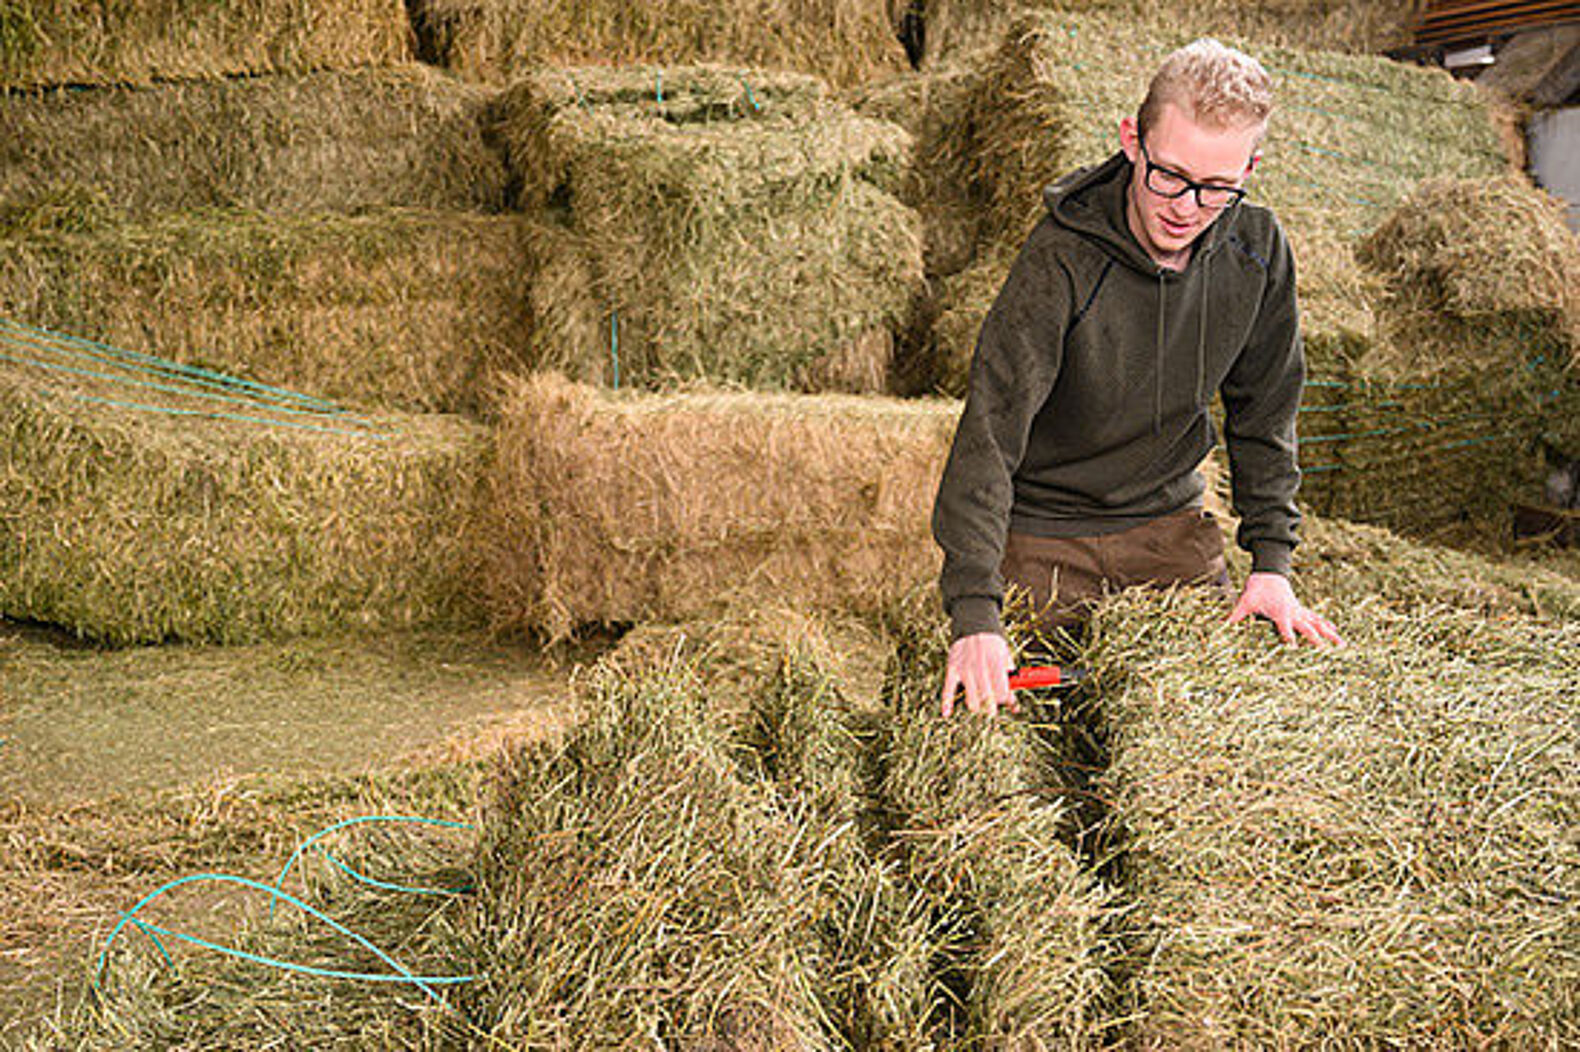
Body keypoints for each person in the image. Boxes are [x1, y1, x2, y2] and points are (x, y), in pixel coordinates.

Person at [933, 38, 1344, 718]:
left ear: (1251, 168)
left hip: (1168, 530)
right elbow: (988, 435)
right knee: (1018, 728)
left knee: (1214, 726)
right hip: (1045, 536)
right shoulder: (1060, 261)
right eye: (1170, 176)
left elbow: (1265, 415)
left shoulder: (1258, 249)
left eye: (1218, 188)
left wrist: (1272, 564)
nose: (1186, 206)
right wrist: (976, 614)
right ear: (1132, 140)